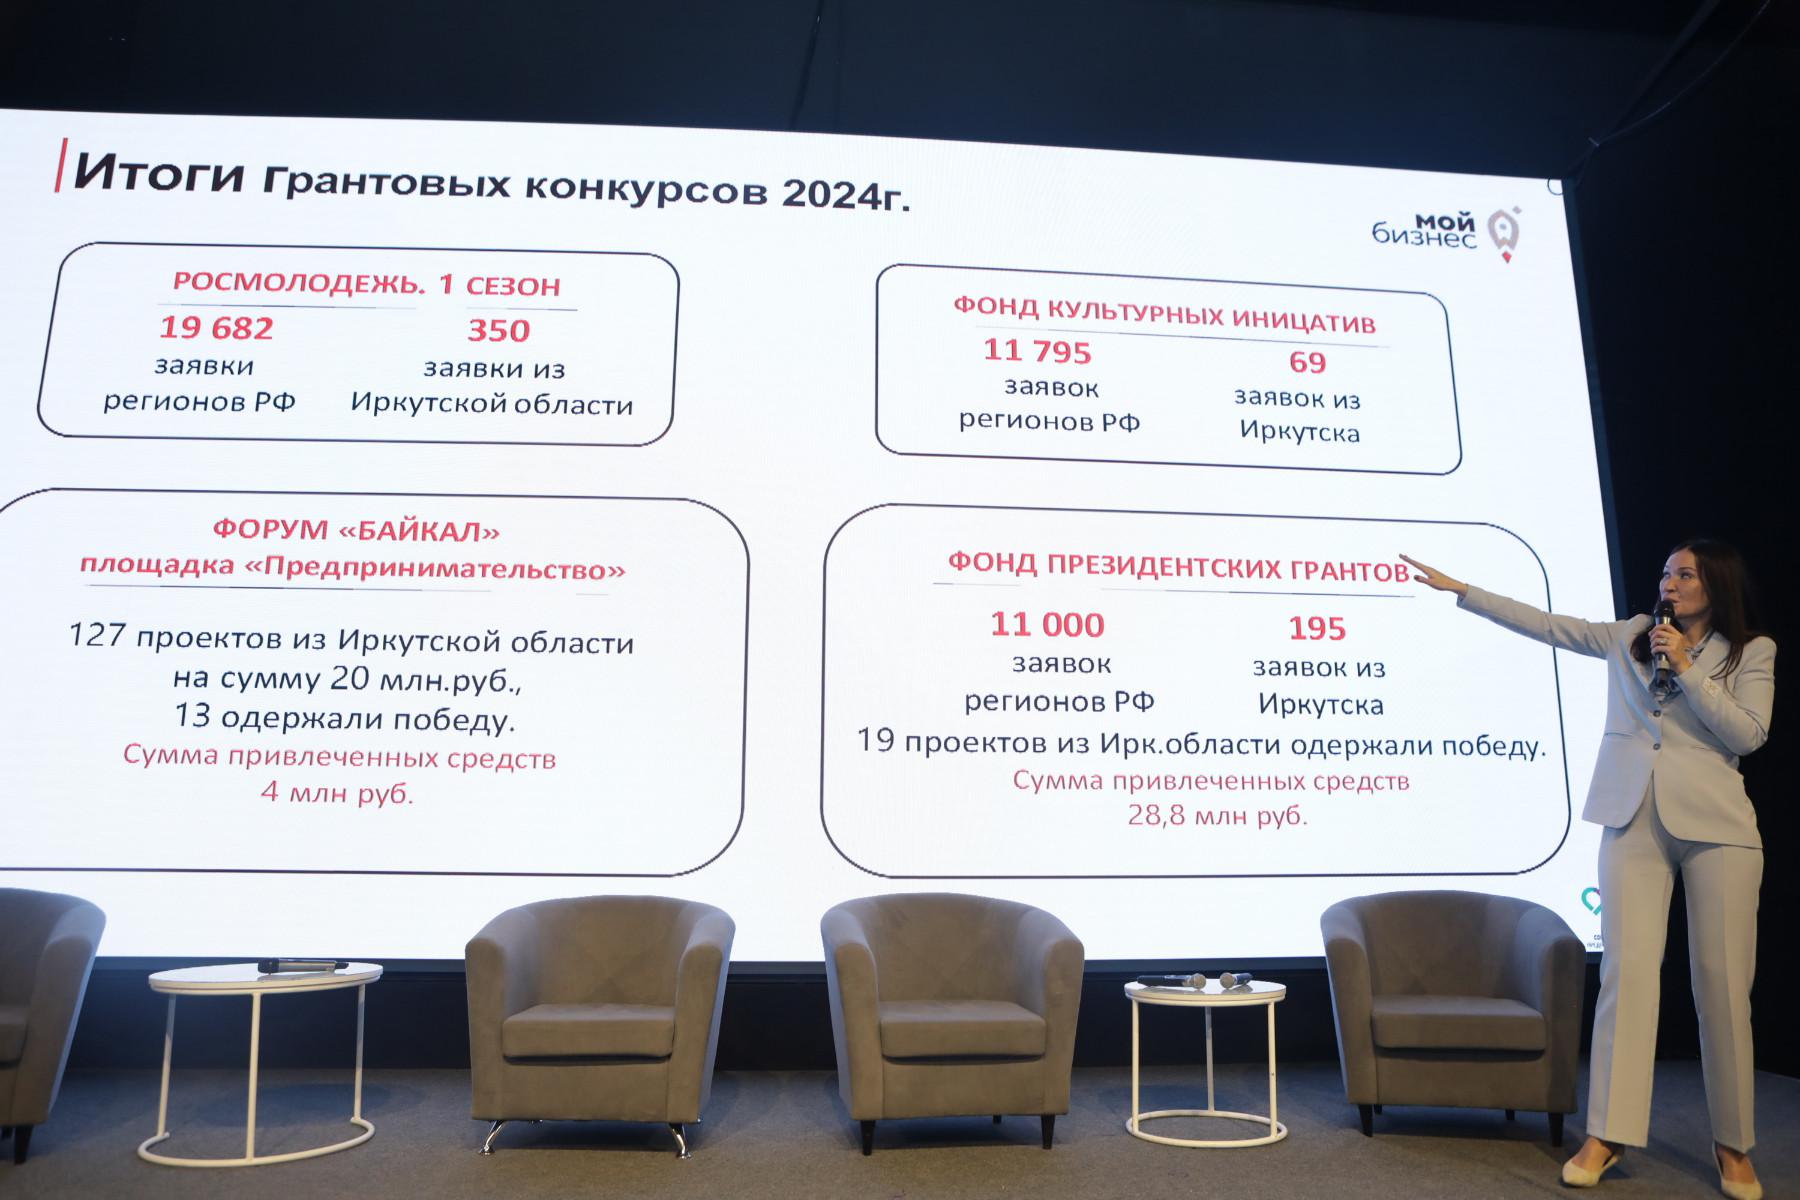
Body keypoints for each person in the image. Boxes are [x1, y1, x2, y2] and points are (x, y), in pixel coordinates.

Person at [1400, 542, 1773, 1200]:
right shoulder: (1631, 636)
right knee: (1627, 977)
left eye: (1684, 574)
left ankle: (1732, 1144)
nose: (1669, 582)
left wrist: (1689, 668)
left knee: (1721, 987)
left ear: (1715, 584)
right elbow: (1549, 625)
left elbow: (1747, 734)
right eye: (1667, 572)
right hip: (1631, 817)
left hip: (1719, 829)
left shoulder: (1751, 651)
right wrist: (1464, 590)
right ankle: (1608, 1134)